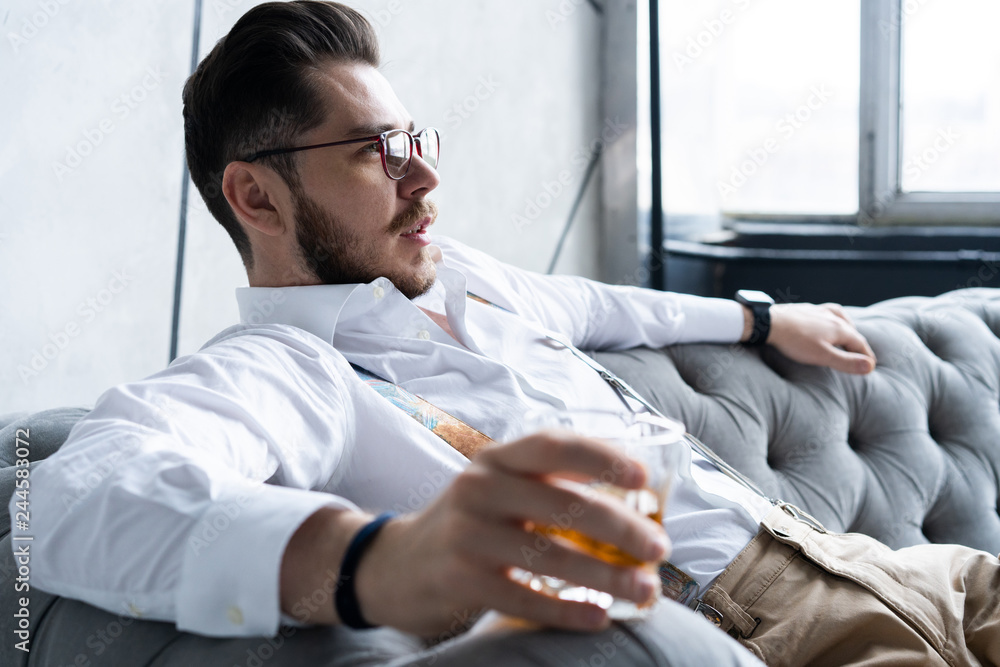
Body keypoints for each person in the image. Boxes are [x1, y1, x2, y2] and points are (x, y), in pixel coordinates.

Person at [17, 3, 998, 666]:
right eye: (375, 152)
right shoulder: (281, 372)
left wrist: (761, 317)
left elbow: (601, 307)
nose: (424, 178)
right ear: (254, 195)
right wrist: (375, 562)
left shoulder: (461, 277)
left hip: (889, 564)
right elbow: (70, 500)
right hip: (763, 629)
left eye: (416, 141)